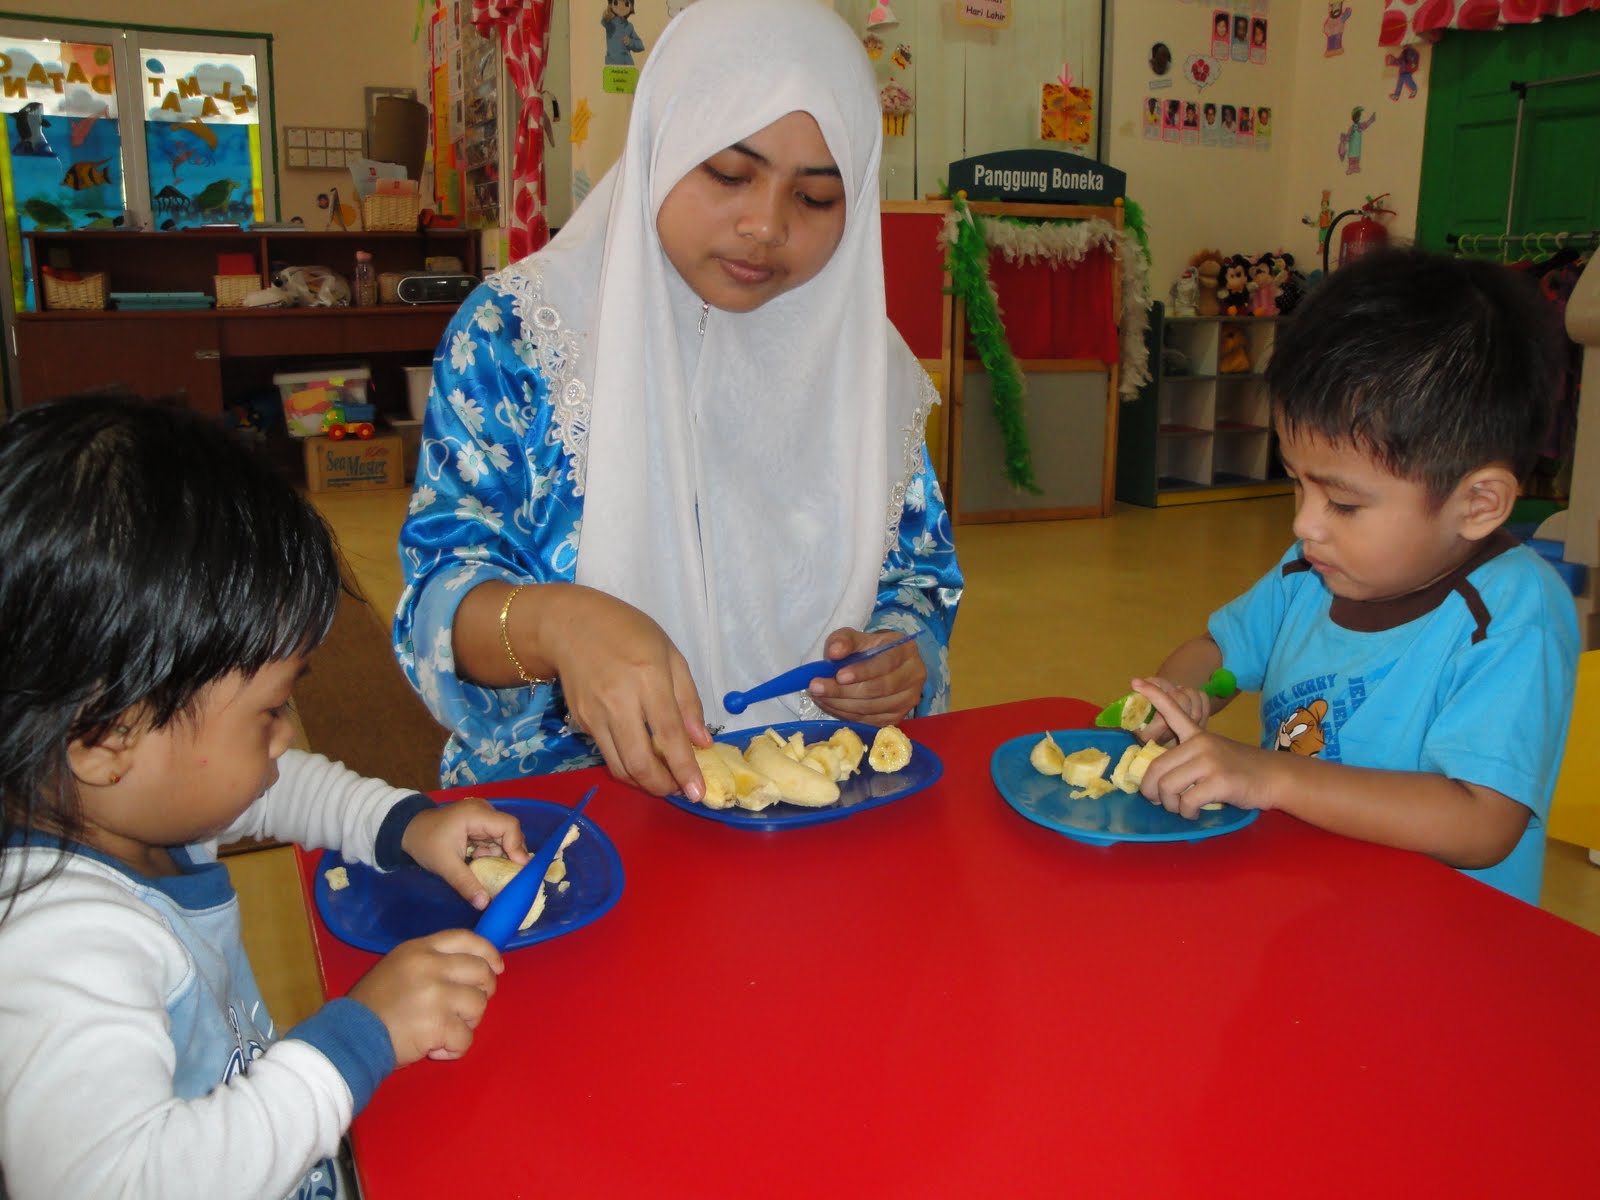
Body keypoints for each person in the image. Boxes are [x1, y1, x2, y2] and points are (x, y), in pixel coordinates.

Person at [396, 0, 962, 797]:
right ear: (664, 144)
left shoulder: (871, 370)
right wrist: (561, 625)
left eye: (816, 198)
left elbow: (918, 578)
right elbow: (437, 609)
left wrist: (903, 654)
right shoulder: (518, 337)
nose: (764, 225)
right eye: (729, 173)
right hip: (569, 820)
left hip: (812, 800)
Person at [0, 397, 527, 1199]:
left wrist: (409, 825)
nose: (286, 739)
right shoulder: (61, 949)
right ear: (107, 738)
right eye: (269, 713)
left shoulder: (123, 800)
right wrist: (361, 1037)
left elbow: (276, 792)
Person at [1125, 248, 1579, 904]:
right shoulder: (1310, 570)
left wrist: (1269, 776)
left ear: (1476, 504)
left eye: (1343, 502)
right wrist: (1183, 696)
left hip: (1441, 949)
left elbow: (1481, 822)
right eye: (1296, 484)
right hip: (1307, 912)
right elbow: (1222, 652)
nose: (1305, 526)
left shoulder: (1512, 614)